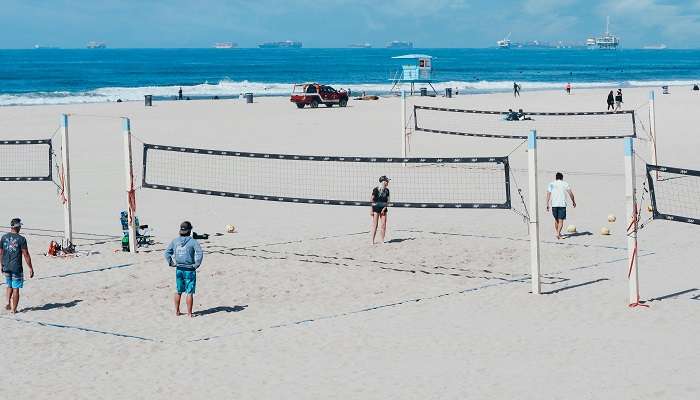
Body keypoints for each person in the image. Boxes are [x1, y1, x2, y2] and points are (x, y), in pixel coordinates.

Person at [164, 221, 203, 317]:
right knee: (189, 292)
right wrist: (196, 264)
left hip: (179, 268)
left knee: (178, 290)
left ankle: (177, 312)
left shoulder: (175, 241)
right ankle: (189, 313)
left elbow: (167, 253)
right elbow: (200, 253)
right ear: (190, 230)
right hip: (189, 269)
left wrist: (171, 262)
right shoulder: (193, 241)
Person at [1, 218, 34, 314]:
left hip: (6, 265)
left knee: (9, 285)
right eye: (20, 226)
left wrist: (1, 265)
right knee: (16, 288)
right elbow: (26, 254)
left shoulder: (4, 237)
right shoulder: (21, 239)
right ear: (17, 226)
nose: (20, 227)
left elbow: (1, 253)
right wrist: (30, 268)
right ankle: (13, 310)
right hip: (16, 267)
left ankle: (7, 302)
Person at [546, 173, 577, 240]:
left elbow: (548, 194)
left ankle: (558, 233)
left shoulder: (551, 184)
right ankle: (558, 234)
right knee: (561, 220)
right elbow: (570, 193)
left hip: (554, 204)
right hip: (562, 204)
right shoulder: (565, 183)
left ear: (556, 178)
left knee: (556, 219)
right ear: (562, 178)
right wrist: (573, 201)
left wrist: (547, 203)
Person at [370, 176, 390, 245]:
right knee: (375, 225)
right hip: (376, 208)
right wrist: (371, 210)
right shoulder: (376, 189)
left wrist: (384, 208)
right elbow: (371, 200)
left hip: (383, 208)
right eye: (387, 181)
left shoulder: (387, 190)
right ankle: (372, 241)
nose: (388, 182)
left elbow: (388, 201)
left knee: (383, 225)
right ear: (384, 182)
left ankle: (382, 240)